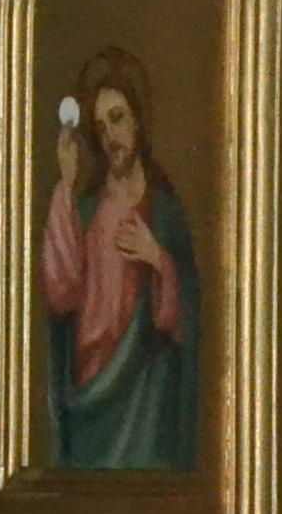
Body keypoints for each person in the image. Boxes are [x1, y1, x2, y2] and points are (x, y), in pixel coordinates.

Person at [38, 47, 196, 472]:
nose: (110, 135)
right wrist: (66, 187)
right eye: (101, 125)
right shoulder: (86, 206)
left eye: (119, 118)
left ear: (138, 120)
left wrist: (158, 259)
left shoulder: (163, 209)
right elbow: (62, 293)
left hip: (146, 398)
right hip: (92, 394)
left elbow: (191, 315)